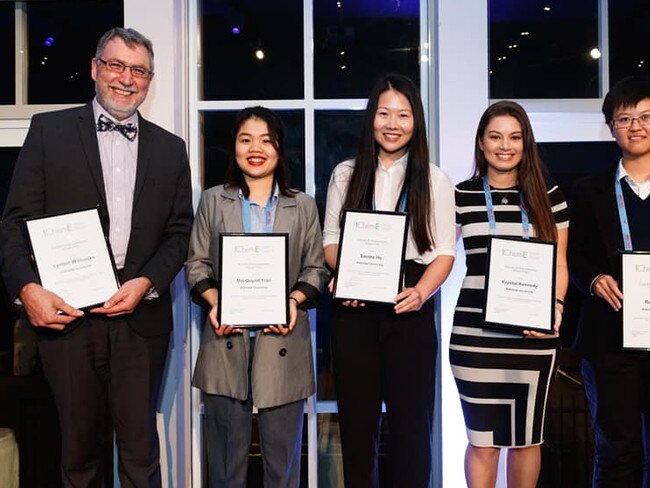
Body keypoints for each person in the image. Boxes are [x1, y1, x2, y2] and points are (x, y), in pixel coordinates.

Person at [0, 27, 192, 487]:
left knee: (140, 458)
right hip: (69, 323)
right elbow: (14, 224)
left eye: (139, 70)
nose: (127, 79)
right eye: (116, 65)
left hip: (140, 324)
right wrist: (29, 292)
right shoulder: (50, 131)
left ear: (150, 79)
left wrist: (146, 283)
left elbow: (179, 232)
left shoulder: (171, 149)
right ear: (94, 68)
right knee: (78, 458)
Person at [322, 73, 456, 487]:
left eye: (403, 114)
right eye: (384, 113)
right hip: (354, 311)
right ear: (371, 119)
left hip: (409, 307)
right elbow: (330, 242)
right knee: (357, 428)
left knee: (412, 429)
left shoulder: (433, 178)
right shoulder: (346, 173)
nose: (392, 123)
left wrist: (421, 292)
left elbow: (445, 252)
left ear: (415, 121)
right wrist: (347, 278)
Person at [186, 106, 328, 488]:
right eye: (246, 139)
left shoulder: (303, 204)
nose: (256, 149)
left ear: (280, 147)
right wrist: (215, 300)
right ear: (234, 146)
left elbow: (315, 269)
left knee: (282, 471)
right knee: (225, 471)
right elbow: (196, 264)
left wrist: (294, 300)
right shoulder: (214, 200)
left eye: (266, 140)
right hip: (225, 343)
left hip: (283, 344)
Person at [451, 100, 569, 488]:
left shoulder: (549, 197)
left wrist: (555, 309)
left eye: (515, 137)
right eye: (496, 136)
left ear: (526, 143)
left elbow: (560, 265)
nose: (506, 146)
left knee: (525, 440)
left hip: (532, 337)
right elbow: (435, 256)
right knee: (482, 443)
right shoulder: (459, 196)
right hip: (474, 338)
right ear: (481, 143)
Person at [569, 76, 650, 487]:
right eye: (625, 118)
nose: (636, 126)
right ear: (611, 127)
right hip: (609, 339)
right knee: (616, 449)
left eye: (646, 117)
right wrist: (595, 277)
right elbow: (574, 255)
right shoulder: (587, 191)